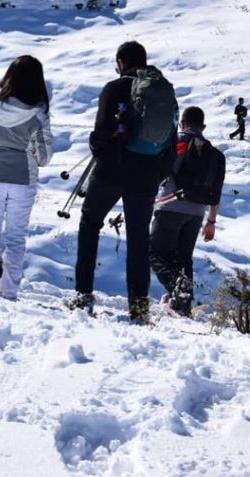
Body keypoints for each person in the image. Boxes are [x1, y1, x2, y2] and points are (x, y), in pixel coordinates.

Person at [73, 41, 178, 322]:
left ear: (121, 61)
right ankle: (139, 309)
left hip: (111, 171)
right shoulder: (163, 92)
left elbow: (100, 133)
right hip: (146, 176)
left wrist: (103, 154)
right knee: (139, 240)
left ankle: (83, 296)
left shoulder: (114, 88)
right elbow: (171, 142)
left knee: (90, 223)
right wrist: (157, 173)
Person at [0, 55, 53, 300]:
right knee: (16, 238)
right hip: (23, 178)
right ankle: (9, 294)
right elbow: (45, 157)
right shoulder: (38, 113)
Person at [150, 106, 226, 316]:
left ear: (182, 123)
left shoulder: (175, 142)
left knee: (154, 252)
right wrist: (211, 222)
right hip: (197, 213)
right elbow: (216, 191)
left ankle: (177, 288)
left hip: (170, 206)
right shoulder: (215, 154)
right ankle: (182, 305)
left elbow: (156, 171)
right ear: (203, 126)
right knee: (184, 258)